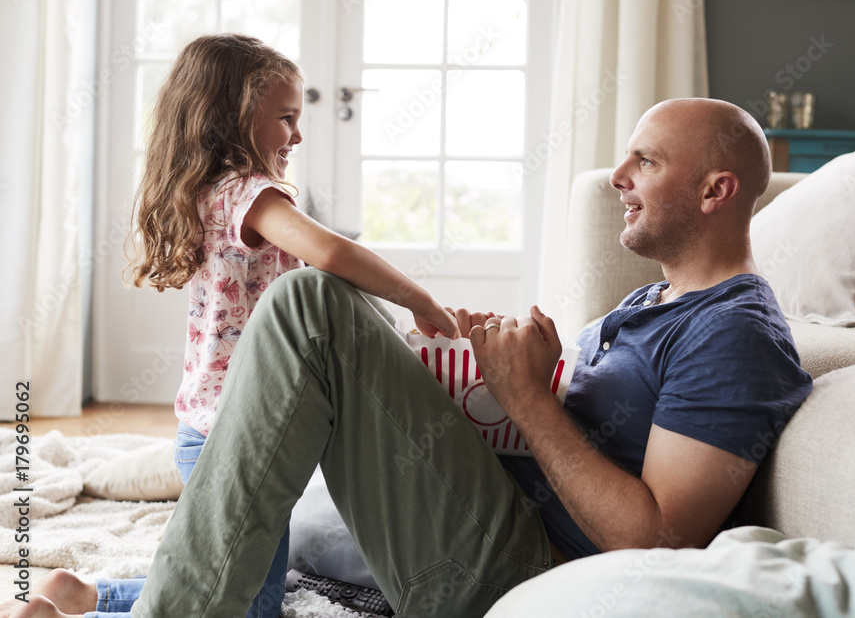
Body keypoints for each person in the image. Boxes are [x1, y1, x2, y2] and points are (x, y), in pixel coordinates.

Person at [23, 97, 813, 618]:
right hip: (492, 514)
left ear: (715, 191)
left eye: (646, 161)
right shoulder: (651, 302)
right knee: (325, 320)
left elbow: (656, 539)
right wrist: (480, 377)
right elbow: (566, 430)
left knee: (310, 303)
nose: (617, 176)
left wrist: (528, 396)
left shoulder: (734, 332)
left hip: (519, 567)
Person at [10, 33, 458, 618]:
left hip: (211, 428)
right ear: (236, 120)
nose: (297, 136)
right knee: (248, 606)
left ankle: (88, 596)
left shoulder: (209, 192)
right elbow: (331, 252)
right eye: (286, 119)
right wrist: (420, 300)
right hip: (241, 438)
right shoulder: (252, 194)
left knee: (226, 582)